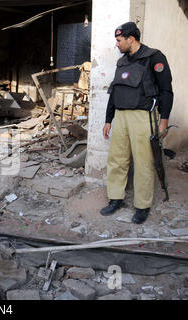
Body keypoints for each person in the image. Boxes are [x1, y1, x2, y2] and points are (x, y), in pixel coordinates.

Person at [100, 22, 173, 224]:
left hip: (143, 116)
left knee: (143, 163)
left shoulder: (154, 57)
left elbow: (166, 90)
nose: (117, 44)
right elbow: (114, 91)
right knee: (117, 160)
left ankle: (142, 206)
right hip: (121, 117)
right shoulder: (122, 62)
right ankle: (116, 199)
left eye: (119, 40)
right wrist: (108, 119)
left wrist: (164, 119)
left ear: (131, 39)